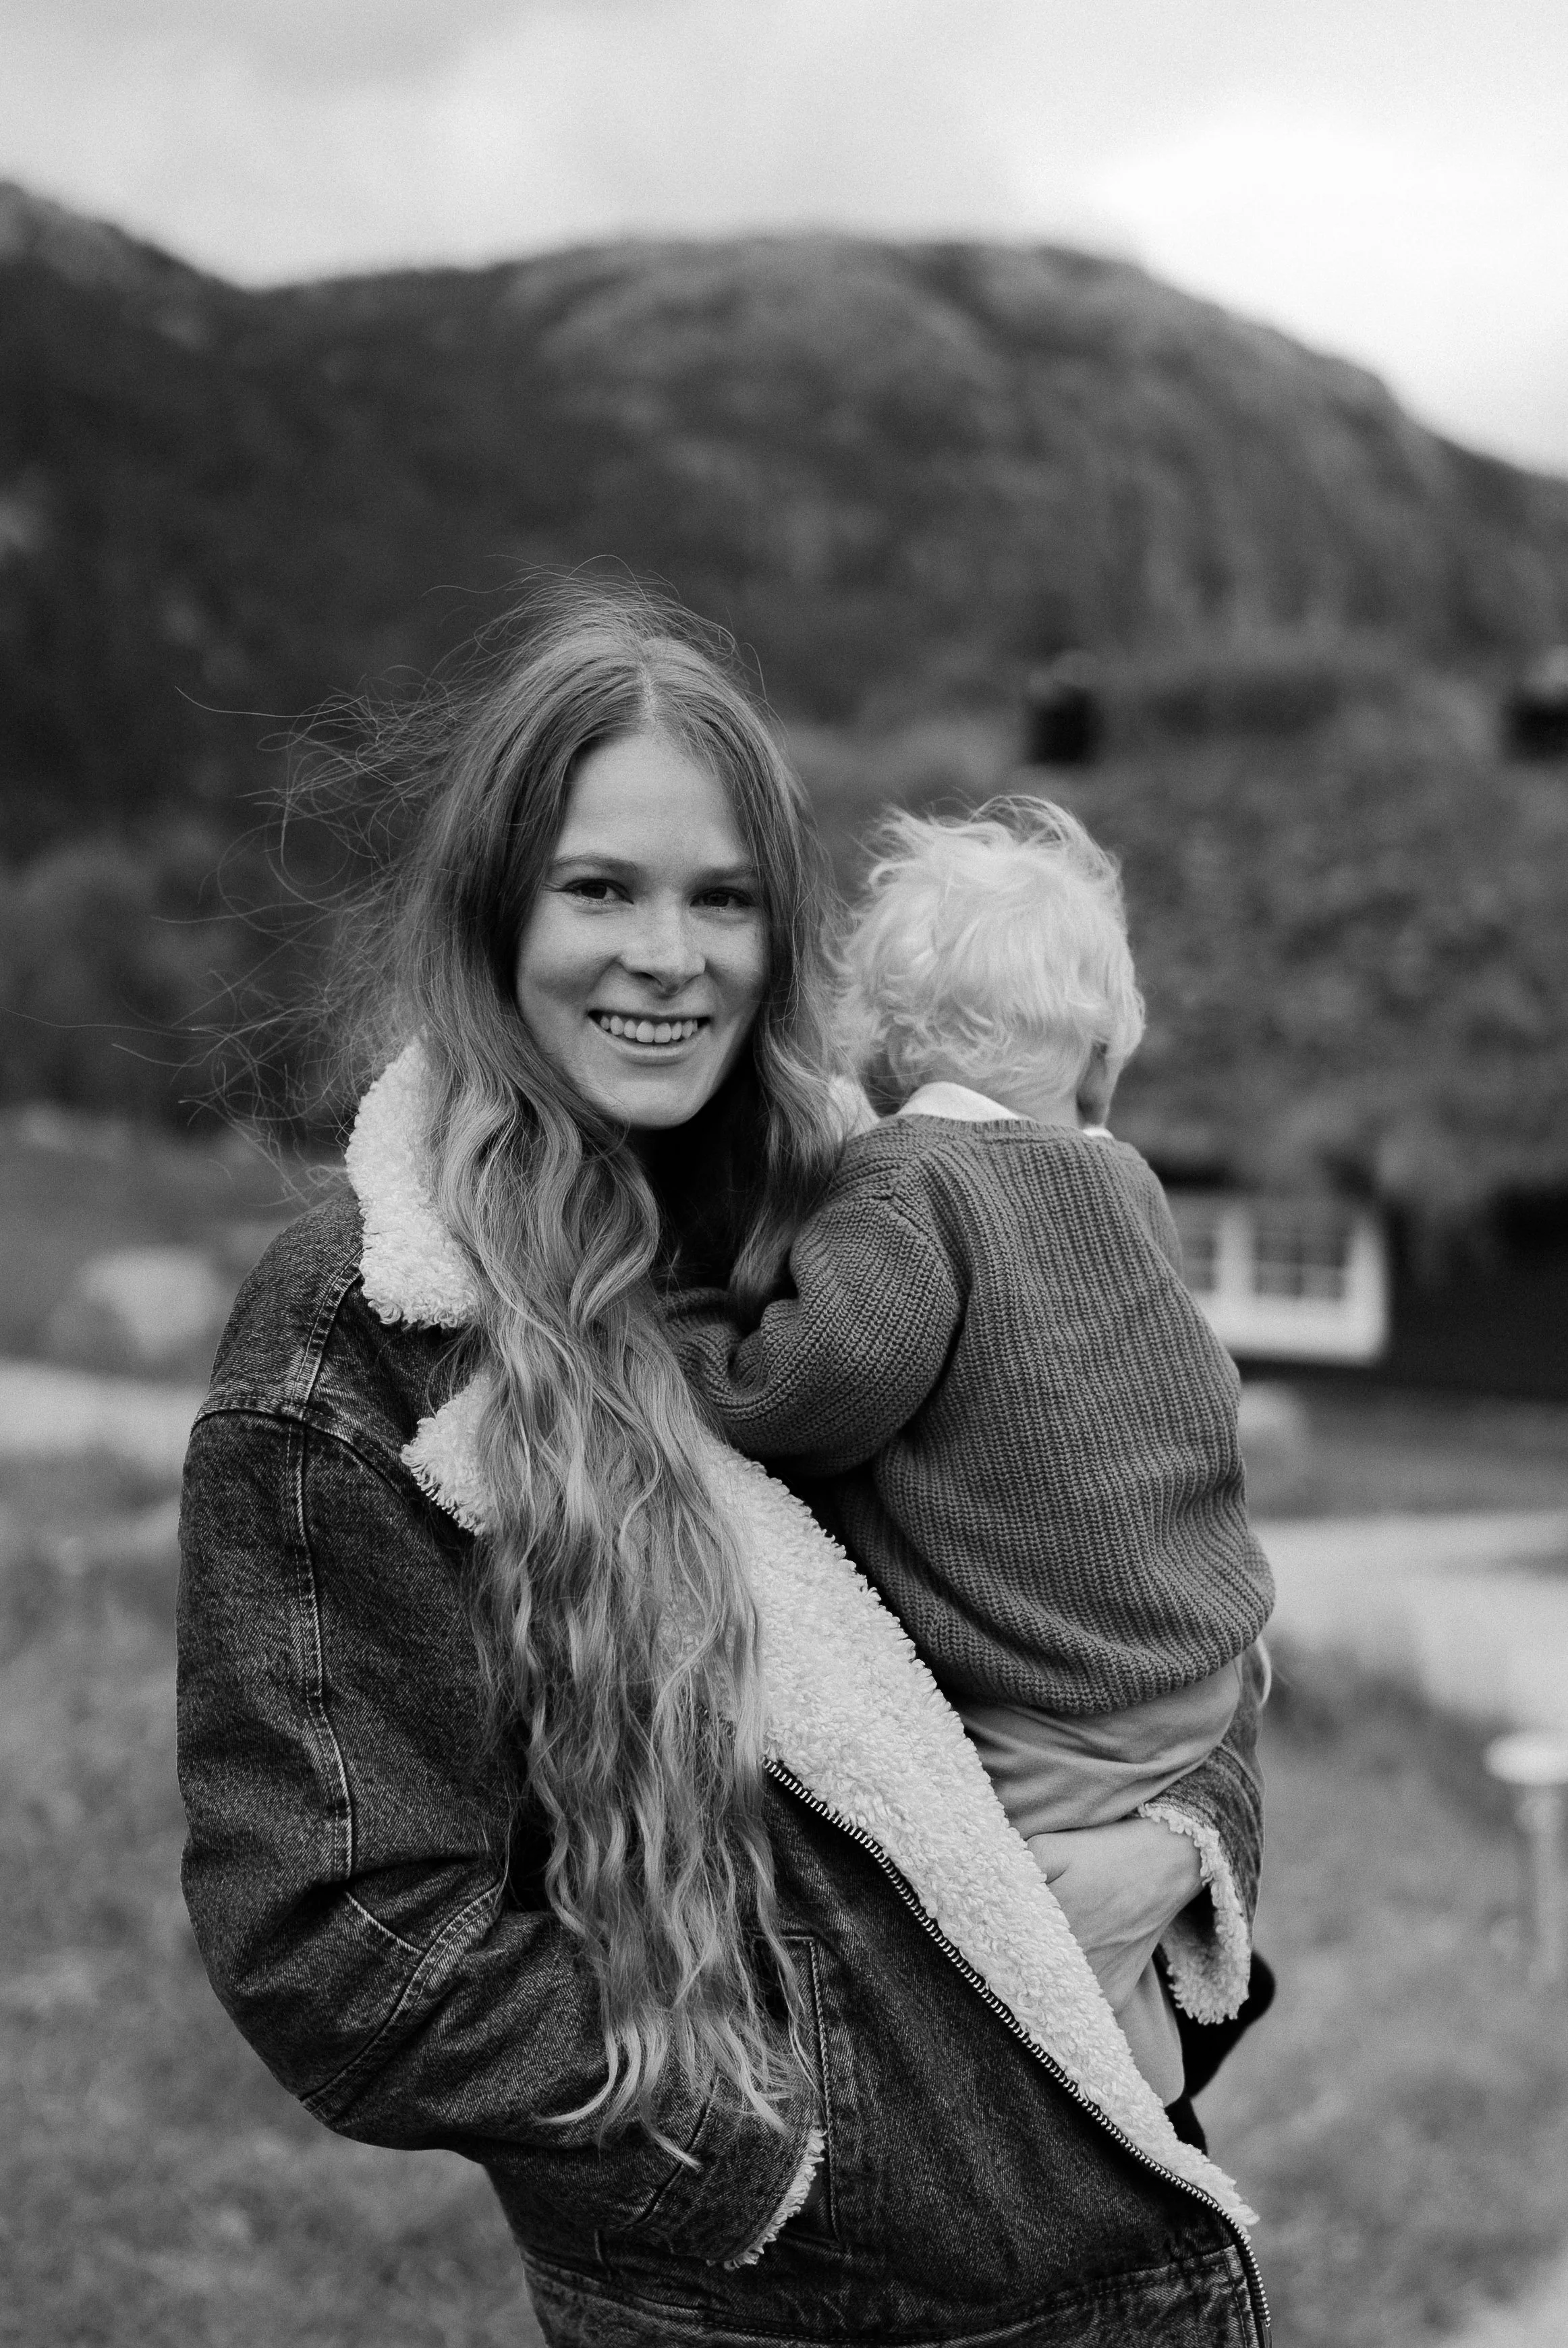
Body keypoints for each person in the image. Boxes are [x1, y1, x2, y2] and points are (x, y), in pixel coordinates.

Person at [176, 589, 1272, 2344]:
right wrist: (784, 2128)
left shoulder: (888, 1210)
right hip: (772, 2309)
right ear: (490, 911)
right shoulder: (365, 1331)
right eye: (599, 888)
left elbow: (1157, 1581)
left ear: (785, 939)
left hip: (1125, 2260)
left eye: (723, 898)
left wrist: (1177, 1844)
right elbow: (342, 1942)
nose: (666, 954)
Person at [669, 800, 1275, 2112]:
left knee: (997, 1961)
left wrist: (691, 1341)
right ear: (1101, 1057)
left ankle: (1111, 2127)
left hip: (1052, 1700)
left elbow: (816, 1393)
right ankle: (1147, 2106)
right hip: (1189, 1671)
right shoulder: (1128, 1186)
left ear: (883, 1051)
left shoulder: (909, 1184)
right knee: (1092, 1951)